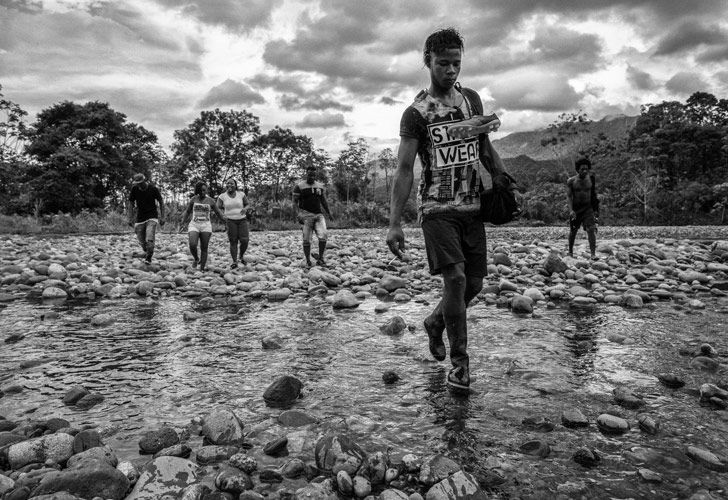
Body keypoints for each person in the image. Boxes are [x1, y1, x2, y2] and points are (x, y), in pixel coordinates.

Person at [386, 28, 509, 392]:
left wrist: (503, 179)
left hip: (472, 207)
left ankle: (436, 321)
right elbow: (405, 169)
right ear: (428, 62)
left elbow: (484, 147)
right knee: (454, 279)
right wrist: (395, 223)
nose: (451, 70)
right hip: (436, 208)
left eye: (456, 63)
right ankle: (460, 365)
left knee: (474, 283)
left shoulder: (471, 101)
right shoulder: (416, 113)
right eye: (443, 63)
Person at [293, 165, 333, 267]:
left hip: (319, 215)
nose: (311, 176)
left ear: (315, 175)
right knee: (306, 239)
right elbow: (294, 202)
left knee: (323, 236)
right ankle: (308, 260)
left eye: (313, 175)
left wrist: (329, 213)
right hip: (306, 215)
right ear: (306, 173)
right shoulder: (299, 186)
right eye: (310, 174)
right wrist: (297, 215)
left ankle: (321, 258)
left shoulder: (320, 186)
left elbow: (323, 200)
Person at [182, 181, 226, 271]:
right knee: (192, 244)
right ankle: (196, 258)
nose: (203, 192)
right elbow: (187, 211)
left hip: (206, 226)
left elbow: (218, 213)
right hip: (194, 225)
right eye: (201, 190)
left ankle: (202, 268)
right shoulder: (193, 199)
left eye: (204, 190)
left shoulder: (210, 201)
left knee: (204, 247)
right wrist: (182, 222)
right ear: (197, 190)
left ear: (206, 191)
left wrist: (226, 222)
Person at [567, 157, 599, 259]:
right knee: (573, 231)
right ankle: (570, 252)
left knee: (591, 229)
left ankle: (593, 254)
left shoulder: (591, 179)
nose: (585, 171)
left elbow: (593, 194)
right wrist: (571, 210)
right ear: (577, 170)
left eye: (586, 169)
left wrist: (596, 210)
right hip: (576, 209)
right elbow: (569, 196)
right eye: (582, 169)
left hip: (588, 208)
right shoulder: (571, 181)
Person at [128, 173, 164, 264]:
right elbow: (131, 203)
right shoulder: (134, 189)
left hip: (152, 217)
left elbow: (161, 201)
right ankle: (146, 251)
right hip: (140, 218)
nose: (139, 185)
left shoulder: (153, 189)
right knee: (142, 241)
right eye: (137, 183)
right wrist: (130, 217)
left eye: (140, 183)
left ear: (144, 181)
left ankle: (148, 258)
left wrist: (162, 217)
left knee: (149, 237)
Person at [217, 179, 250, 269]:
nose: (229, 184)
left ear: (235, 185)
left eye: (231, 183)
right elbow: (218, 208)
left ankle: (241, 255)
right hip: (230, 221)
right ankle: (235, 261)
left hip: (242, 220)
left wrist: (245, 209)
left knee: (245, 240)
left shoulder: (241, 194)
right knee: (233, 241)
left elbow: (247, 204)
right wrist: (222, 215)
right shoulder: (222, 196)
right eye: (227, 183)